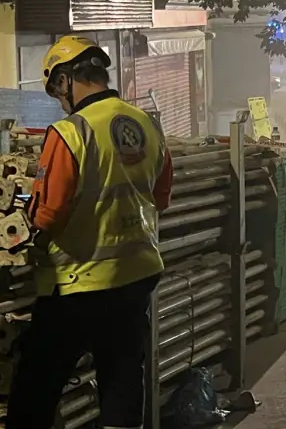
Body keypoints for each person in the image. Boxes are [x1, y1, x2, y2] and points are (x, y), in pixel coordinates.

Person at [7, 36, 173, 429]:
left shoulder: (70, 132)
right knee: (122, 378)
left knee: (36, 384)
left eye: (57, 90)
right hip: (137, 276)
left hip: (78, 283)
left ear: (66, 80)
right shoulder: (147, 124)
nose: (59, 100)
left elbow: (48, 213)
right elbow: (161, 196)